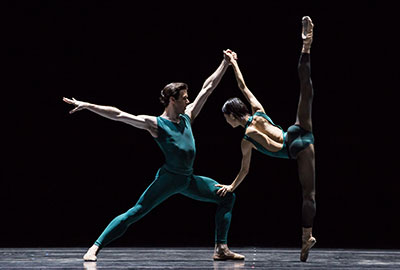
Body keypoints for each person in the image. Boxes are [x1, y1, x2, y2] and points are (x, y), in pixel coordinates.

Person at [63, 51, 245, 261]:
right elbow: (119, 114)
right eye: (184, 97)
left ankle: (220, 249)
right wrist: (88, 106)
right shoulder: (156, 124)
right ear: (172, 99)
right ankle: (94, 248)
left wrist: (225, 63)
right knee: (136, 212)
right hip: (169, 179)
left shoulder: (187, 116)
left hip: (188, 179)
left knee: (227, 196)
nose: (189, 100)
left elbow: (208, 87)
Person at [216, 16, 316, 262]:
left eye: (225, 118)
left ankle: (306, 237)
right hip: (298, 131)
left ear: (231, 115)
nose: (226, 122)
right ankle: (306, 46)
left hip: (292, 146)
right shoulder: (258, 110)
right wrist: (233, 63)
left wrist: (232, 186)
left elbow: (249, 166)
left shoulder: (247, 137)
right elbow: (243, 86)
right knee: (306, 90)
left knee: (308, 195)